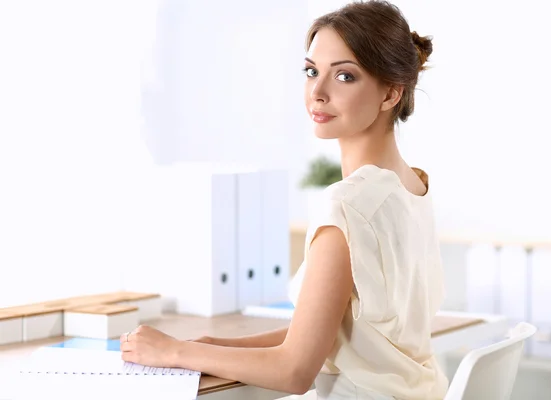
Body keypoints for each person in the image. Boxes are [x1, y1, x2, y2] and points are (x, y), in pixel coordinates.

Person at [120, 1, 448, 398]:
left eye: (344, 76)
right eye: (311, 71)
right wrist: (211, 347)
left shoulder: (351, 205)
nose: (317, 92)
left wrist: (174, 352)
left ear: (391, 94)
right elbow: (342, 332)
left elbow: (294, 372)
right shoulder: (413, 187)